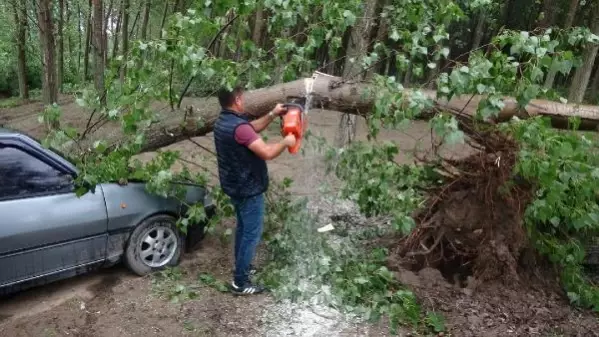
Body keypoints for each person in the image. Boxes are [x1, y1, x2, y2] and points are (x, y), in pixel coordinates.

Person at [213, 86, 296, 295]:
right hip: (248, 189)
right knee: (252, 234)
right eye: (244, 97)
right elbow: (267, 152)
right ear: (238, 100)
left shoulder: (224, 122)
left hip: (234, 186)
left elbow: (249, 129)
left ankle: (242, 267)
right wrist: (286, 141)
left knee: (243, 229)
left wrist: (272, 114)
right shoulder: (238, 128)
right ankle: (240, 282)